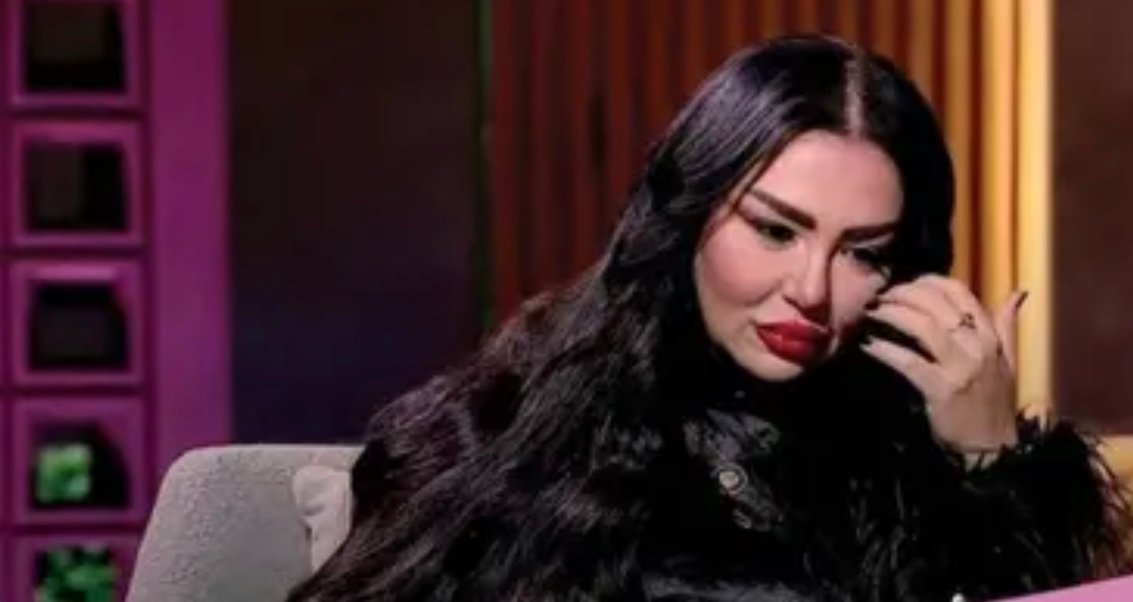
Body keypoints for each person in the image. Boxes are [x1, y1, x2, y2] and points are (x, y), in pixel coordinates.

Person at [287, 35, 1131, 601]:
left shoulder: (898, 462)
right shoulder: (517, 432)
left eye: (863, 253)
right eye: (774, 230)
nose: (811, 289)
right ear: (688, 215)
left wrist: (987, 461)